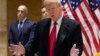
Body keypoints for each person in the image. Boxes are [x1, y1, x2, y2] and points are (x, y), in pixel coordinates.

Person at [10, 0, 83, 56]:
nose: (50, 12)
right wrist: (24, 50)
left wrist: (75, 54)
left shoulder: (73, 26)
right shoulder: (41, 25)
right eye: (48, 9)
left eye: (52, 8)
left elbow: (78, 47)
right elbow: (34, 46)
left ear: (61, 8)